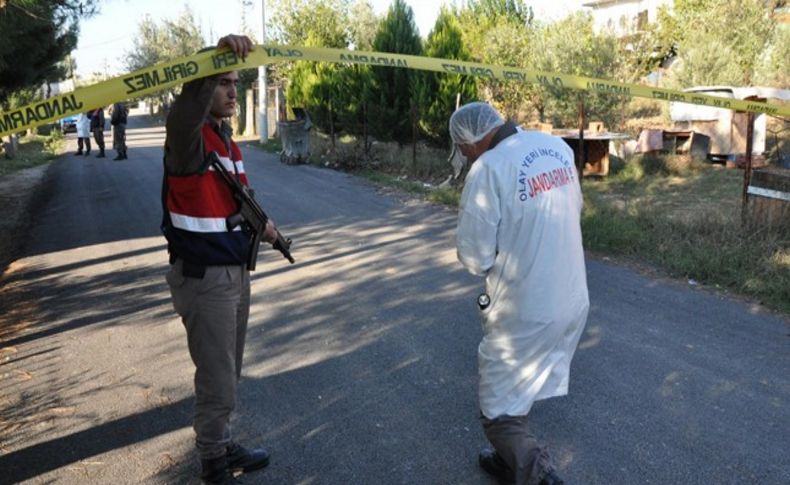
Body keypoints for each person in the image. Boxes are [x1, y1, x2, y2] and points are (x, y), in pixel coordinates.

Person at [451, 102, 589, 485]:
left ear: (472, 140)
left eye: (461, 149)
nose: (462, 157)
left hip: (526, 307)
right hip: (572, 295)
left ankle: (536, 473)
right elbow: (569, 210)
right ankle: (506, 461)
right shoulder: (556, 148)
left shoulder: (488, 169)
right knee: (519, 385)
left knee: (497, 410)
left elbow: (475, 258)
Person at [161, 34, 276, 485]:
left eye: (234, 82)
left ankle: (222, 440)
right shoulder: (188, 142)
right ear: (203, 89)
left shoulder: (227, 144)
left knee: (227, 370)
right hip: (204, 278)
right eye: (221, 83)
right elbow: (184, 111)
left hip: (232, 274)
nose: (232, 91)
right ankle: (213, 461)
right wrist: (208, 63)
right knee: (216, 377)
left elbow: (237, 202)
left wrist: (264, 226)